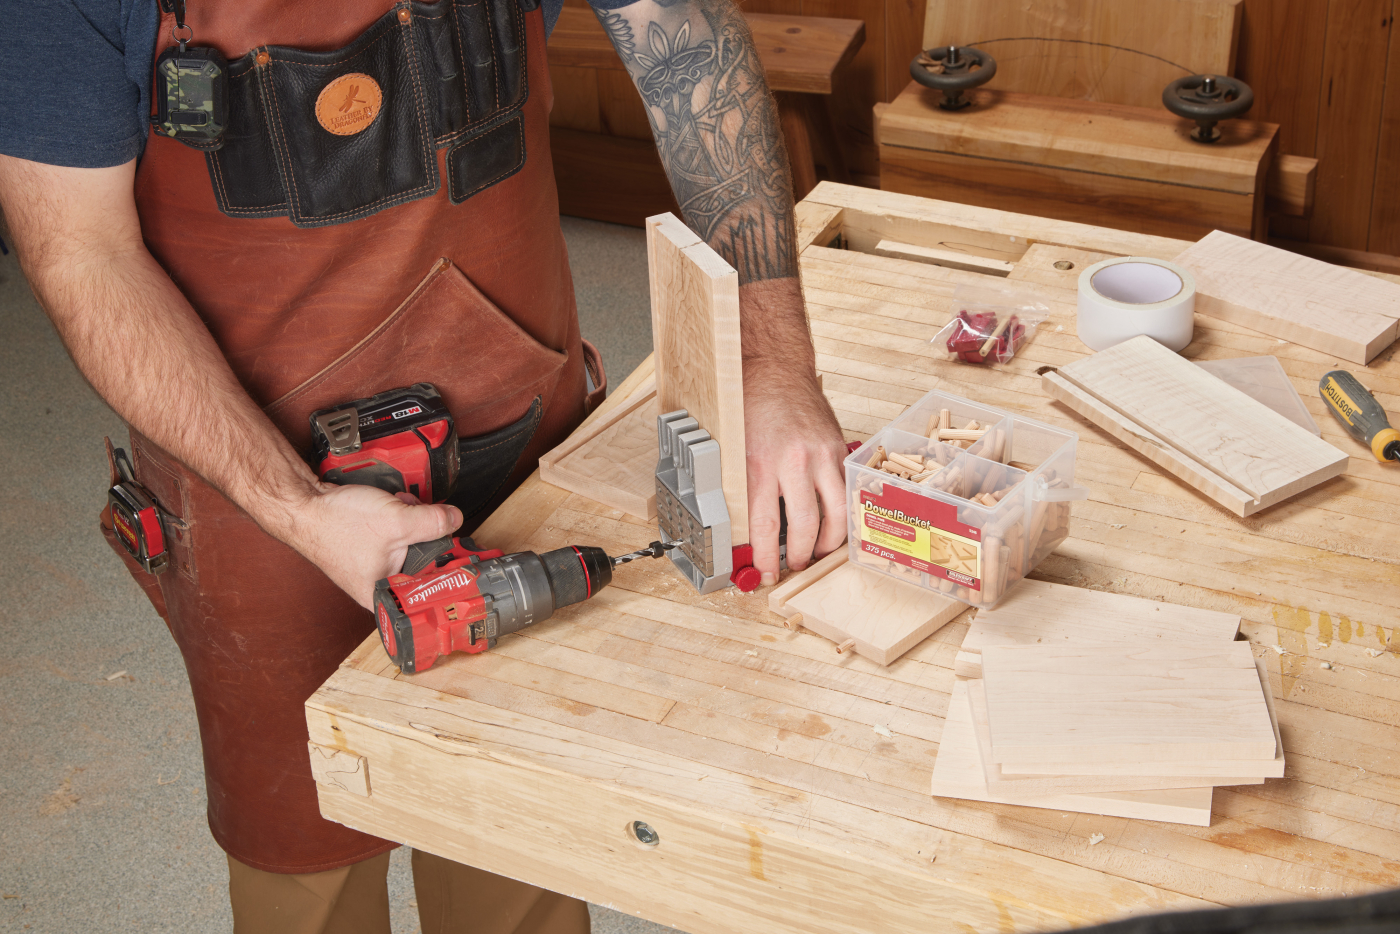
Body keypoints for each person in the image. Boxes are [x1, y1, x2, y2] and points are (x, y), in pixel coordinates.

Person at [0, 0, 847, 931]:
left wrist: (772, 364)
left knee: (521, 839)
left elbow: (688, 38)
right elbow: (81, 254)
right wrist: (296, 506)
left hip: (518, 414)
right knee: (307, 856)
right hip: (256, 482)